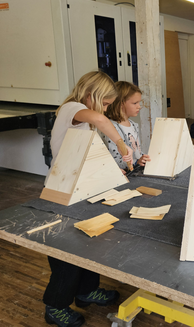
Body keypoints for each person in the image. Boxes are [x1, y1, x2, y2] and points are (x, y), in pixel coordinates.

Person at [44, 71, 133, 327]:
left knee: (90, 243)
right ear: (89, 94)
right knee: (65, 252)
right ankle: (55, 305)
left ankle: (86, 291)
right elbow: (98, 119)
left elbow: (90, 154)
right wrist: (121, 143)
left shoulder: (85, 120)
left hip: (83, 191)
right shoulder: (72, 108)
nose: (104, 110)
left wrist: (113, 171)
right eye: (105, 103)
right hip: (62, 193)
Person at [104, 81, 150, 174]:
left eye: (139, 102)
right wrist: (136, 162)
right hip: (126, 175)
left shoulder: (133, 124)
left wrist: (143, 158)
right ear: (121, 104)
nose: (139, 107)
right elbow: (114, 161)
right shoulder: (110, 128)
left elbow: (137, 151)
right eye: (135, 103)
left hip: (137, 171)